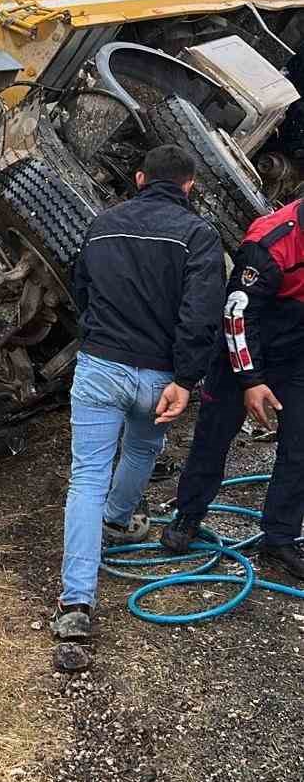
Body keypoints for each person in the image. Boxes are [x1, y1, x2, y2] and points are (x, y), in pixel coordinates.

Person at [52, 143, 225, 641]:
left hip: (100, 367)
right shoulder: (199, 235)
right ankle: (119, 519)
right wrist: (186, 381)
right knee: (145, 445)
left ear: (140, 177)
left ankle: (77, 602)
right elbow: (200, 316)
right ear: (190, 185)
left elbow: (79, 289)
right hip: (158, 374)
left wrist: (98, 334)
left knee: (85, 476)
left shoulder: (101, 224)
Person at [161, 195, 304, 579]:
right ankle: (188, 516)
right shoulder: (269, 243)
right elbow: (237, 315)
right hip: (241, 344)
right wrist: (251, 381)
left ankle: (279, 538)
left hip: (296, 353)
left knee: (300, 446)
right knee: (214, 434)